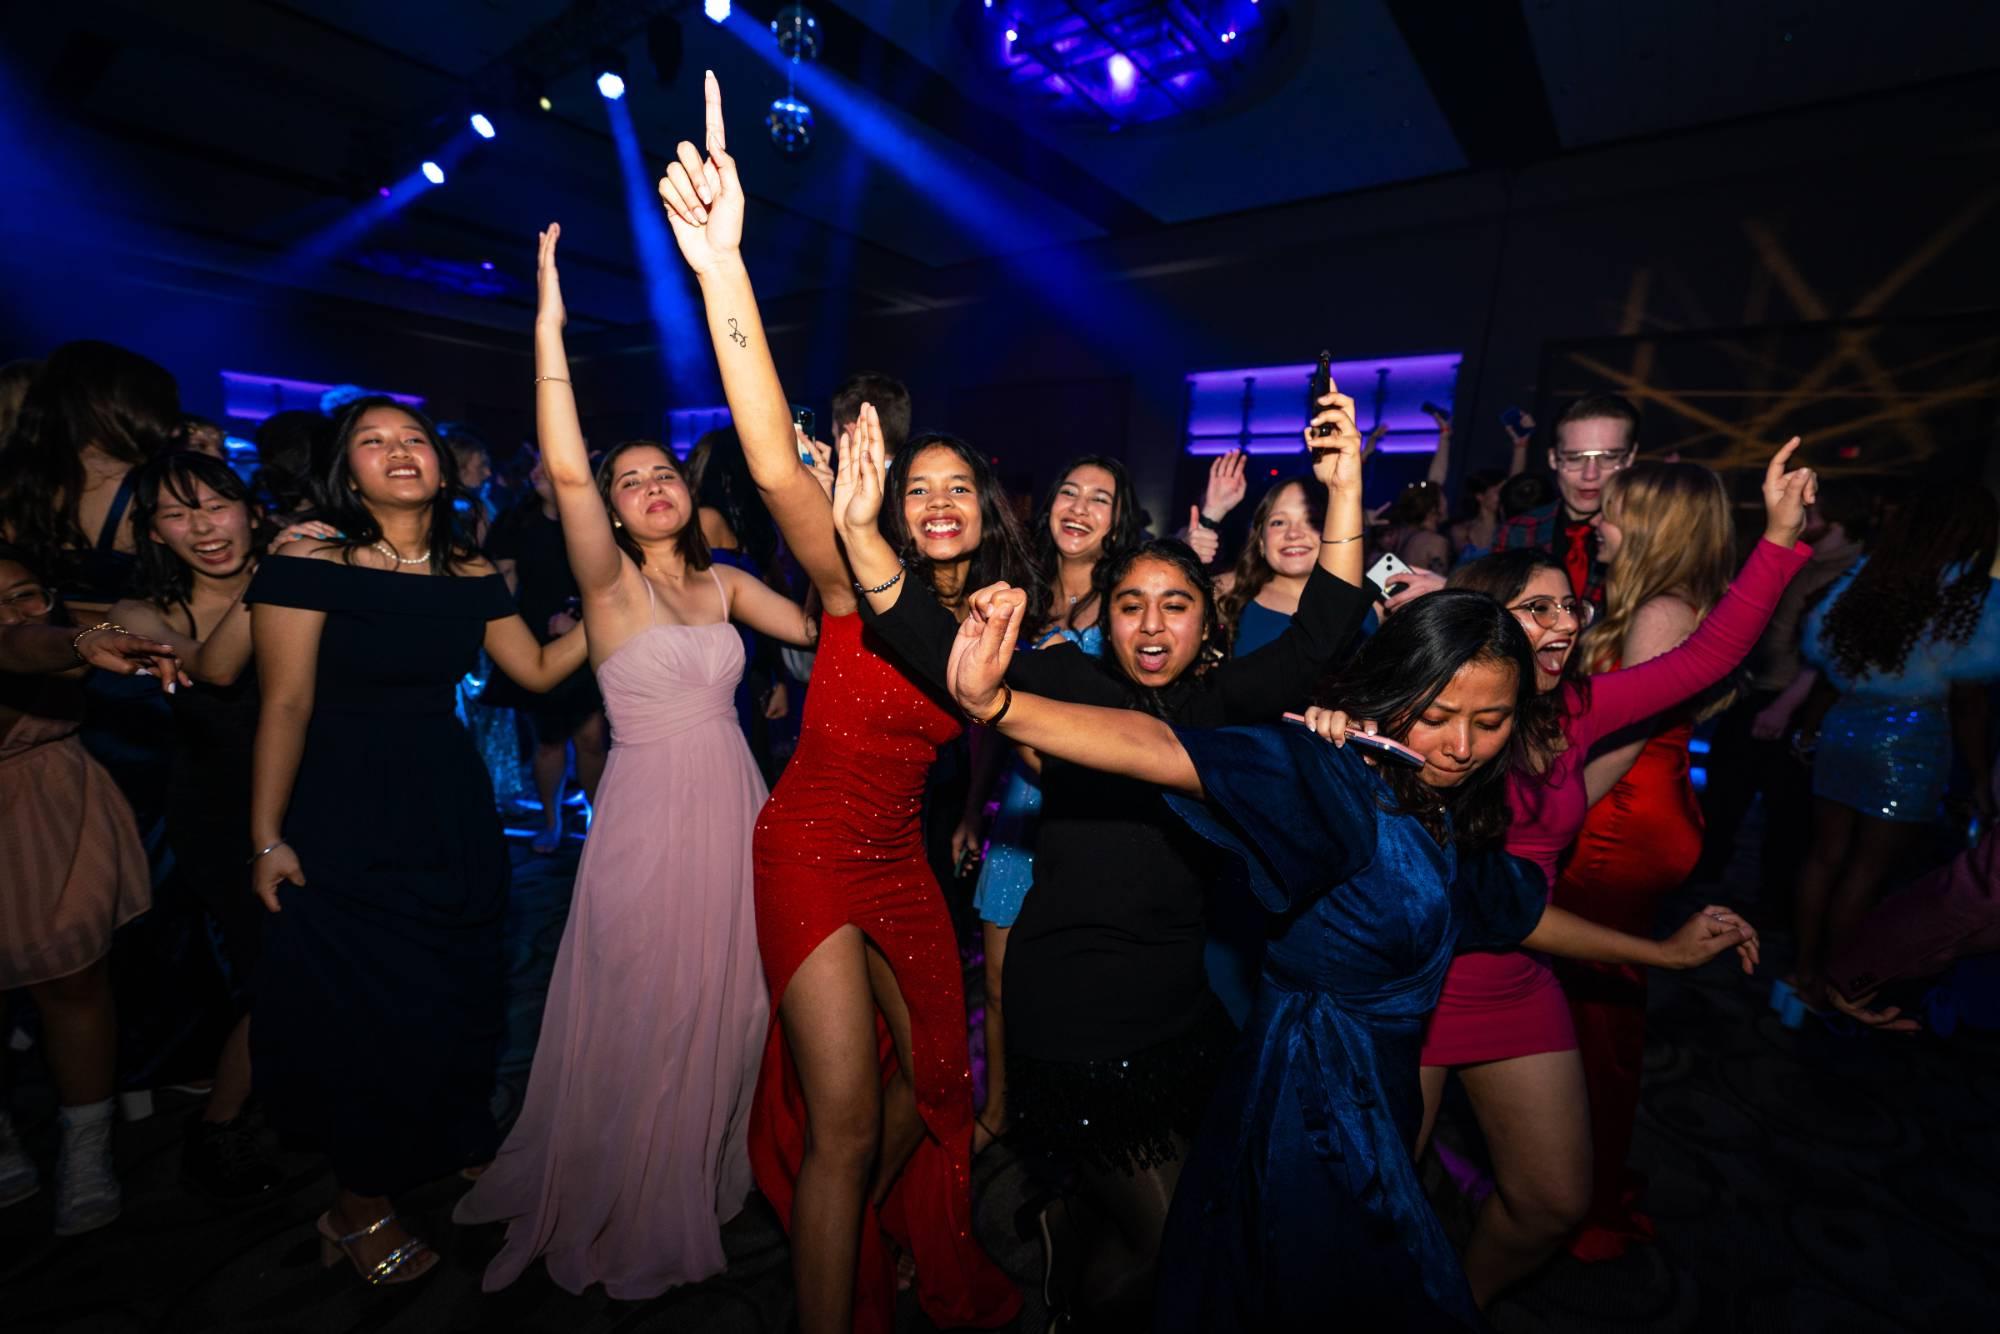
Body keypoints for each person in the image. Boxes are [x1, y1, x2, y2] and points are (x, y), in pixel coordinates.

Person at [939, 574, 1758, 1332]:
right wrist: (1000, 703)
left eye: (1491, 721)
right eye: (1437, 716)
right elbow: (1165, 751)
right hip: (1310, 1106)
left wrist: (1663, 955)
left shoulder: (1443, 811)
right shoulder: (1334, 784)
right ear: (1396, 694)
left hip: (1384, 1099)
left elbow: (1513, 913)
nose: (1463, 747)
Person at [847, 393, 1366, 1329]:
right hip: (1076, 1004)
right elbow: (928, 642)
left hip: (1179, 1008)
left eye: (1176, 605)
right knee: (1166, 1237)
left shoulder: (1222, 704)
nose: (1153, 626)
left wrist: (1346, 487)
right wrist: (857, 533)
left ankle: (1063, 1240)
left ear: (1210, 623)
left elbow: (1326, 626)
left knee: (1173, 1207)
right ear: (1108, 622)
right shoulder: (1064, 681)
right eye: (1130, 606)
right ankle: (1069, 1297)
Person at [657, 73, 1027, 1333]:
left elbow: (998, 724)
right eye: (913, 484)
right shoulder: (849, 581)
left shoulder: (992, 619)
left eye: (954, 489)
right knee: (846, 1116)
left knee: (939, 1079)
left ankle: (907, 1242)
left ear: (981, 512)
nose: (932, 501)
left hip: (903, 862)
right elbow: (767, 454)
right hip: (809, 846)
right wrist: (722, 265)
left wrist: (979, 797)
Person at [453, 225, 815, 1298]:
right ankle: (626, 1175)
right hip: (648, 820)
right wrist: (549, 314)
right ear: (608, 507)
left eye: (665, 470)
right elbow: (563, 458)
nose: (652, 485)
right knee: (646, 1000)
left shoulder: (725, 582)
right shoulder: (610, 590)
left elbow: (820, 624)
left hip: (735, 805)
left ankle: (705, 1158)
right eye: (631, 478)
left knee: (736, 996)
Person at [1399, 439, 1814, 1305]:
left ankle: (1456, 1309)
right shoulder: (1426, 724)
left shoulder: (1575, 712)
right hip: (1421, 982)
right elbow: (1488, 899)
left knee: (1554, 1202)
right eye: (1536, 610)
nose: (1562, 625)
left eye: (1567, 609)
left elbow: (1703, 661)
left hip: (1516, 979)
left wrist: (1776, 538)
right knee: (1380, 1200)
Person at [246, 396, 589, 1286]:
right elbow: (284, 703)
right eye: (374, 441)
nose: (399, 451)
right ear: (345, 467)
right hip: (345, 805)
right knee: (370, 1006)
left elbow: (539, 670)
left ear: (439, 466)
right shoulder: (308, 559)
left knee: (463, 981)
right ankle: (354, 1204)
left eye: (414, 440)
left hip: (447, 794)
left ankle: (454, 1139)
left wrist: (626, 599)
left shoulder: (468, 568)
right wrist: (266, 837)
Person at [109, 452, 335, 1200]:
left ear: (249, 508)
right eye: (178, 513)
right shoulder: (144, 614)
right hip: (218, 814)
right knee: (274, 968)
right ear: (154, 533)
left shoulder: (301, 571)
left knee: (334, 955)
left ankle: (334, 1103)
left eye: (217, 504)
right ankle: (220, 1124)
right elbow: (215, 669)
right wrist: (280, 572)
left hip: (320, 790)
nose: (204, 526)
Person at [1544, 460, 1739, 1260]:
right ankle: (1583, 1176)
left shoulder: (1661, 611)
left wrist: (1544, 826)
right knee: (1596, 997)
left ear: (1656, 526)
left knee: (1598, 1010)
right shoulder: (1657, 602)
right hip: (1642, 812)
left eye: (1617, 512)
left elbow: (1616, 748)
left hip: (1620, 819)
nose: (1602, 525)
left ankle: (1589, 1201)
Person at [949, 453, 1139, 1154]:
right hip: (1020, 809)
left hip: (1093, 816)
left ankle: (1078, 1118)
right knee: (997, 979)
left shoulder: (1125, 602)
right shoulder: (1014, 594)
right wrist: (973, 808)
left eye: (1100, 498)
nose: (1080, 507)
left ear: (1118, 520)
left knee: (1077, 981)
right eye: (1069, 491)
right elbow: (986, 720)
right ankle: (999, 1109)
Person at [1781, 484, 2000, 1013]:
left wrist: (1810, 728)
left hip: (1844, 729)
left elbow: (1830, 667)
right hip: (1911, 742)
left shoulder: (1872, 578)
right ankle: (1840, 987)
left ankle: (1804, 973)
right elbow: (1970, 705)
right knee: (1866, 874)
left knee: (1824, 858)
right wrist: (1978, 779)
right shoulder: (1968, 598)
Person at [0, 545, 151, 1235]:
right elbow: (15, 645)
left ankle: (86, 1150)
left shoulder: (61, 625)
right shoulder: (28, 634)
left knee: (73, 980)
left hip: (52, 805)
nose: (15, 612)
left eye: (28, 592)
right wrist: (80, 639)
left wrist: (88, 636)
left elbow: (40, 639)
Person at [1694, 480, 1871, 892]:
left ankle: (1773, 907)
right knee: (1723, 797)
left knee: (1786, 816)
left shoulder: (1857, 574)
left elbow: (1834, 655)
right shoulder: (1801, 558)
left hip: (1798, 704)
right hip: (1754, 691)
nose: (1801, 518)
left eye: (1813, 513)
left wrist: (1786, 706)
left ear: (1839, 522)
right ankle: (1702, 879)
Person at [0, 340, 184, 617]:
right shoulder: (156, 487)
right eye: (163, 406)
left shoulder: (17, 485)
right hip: (138, 649)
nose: (175, 427)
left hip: (48, 647)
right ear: (122, 406)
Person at [484, 450, 607, 852]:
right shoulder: (516, 521)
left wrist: (584, 622)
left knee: (591, 736)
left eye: (547, 465)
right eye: (535, 465)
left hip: (591, 635)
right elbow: (501, 589)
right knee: (550, 739)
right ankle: (552, 822)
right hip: (536, 638)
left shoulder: (595, 519)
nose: (539, 472)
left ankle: (597, 817)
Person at [1497, 393, 1643, 608]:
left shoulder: (1647, 539)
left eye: (1609, 457)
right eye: (1574, 458)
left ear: (1630, 458)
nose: (1590, 474)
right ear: (1553, 458)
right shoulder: (1518, 531)